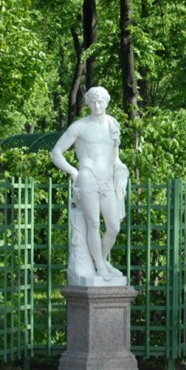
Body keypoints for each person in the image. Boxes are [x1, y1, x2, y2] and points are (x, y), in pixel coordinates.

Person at [51, 87, 129, 282]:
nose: (97, 105)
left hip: (107, 180)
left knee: (113, 227)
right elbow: (56, 152)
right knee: (93, 223)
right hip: (88, 177)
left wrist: (122, 169)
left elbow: (115, 157)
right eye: (93, 102)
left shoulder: (113, 124)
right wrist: (73, 171)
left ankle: (101, 260)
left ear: (107, 102)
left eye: (100, 101)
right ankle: (100, 266)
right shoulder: (80, 127)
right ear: (87, 103)